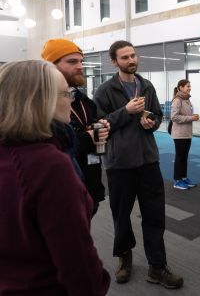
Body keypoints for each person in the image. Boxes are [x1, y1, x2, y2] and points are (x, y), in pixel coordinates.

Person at [0, 60, 110, 295]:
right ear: (42, 101)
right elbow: (78, 262)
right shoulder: (49, 165)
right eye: (65, 94)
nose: (71, 101)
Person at [93, 40, 183, 288]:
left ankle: (157, 266)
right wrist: (126, 111)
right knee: (121, 215)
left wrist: (151, 122)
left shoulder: (147, 85)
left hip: (148, 161)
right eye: (125, 58)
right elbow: (99, 126)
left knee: (154, 215)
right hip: (119, 164)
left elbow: (156, 115)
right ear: (114, 62)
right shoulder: (105, 91)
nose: (131, 60)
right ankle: (124, 257)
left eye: (133, 56)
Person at [41, 38, 109, 216]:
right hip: (61, 192)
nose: (80, 66)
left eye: (81, 61)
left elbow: (90, 126)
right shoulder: (40, 105)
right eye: (72, 61)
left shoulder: (85, 101)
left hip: (90, 183)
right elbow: (49, 150)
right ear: (51, 67)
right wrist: (88, 137)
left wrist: (102, 128)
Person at [171, 79, 199, 190]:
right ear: (181, 87)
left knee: (184, 157)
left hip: (187, 133)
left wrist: (191, 117)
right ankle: (177, 181)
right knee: (180, 157)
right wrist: (191, 118)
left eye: (190, 86)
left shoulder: (187, 99)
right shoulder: (177, 100)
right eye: (188, 86)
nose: (190, 88)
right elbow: (174, 117)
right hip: (179, 134)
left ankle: (183, 177)